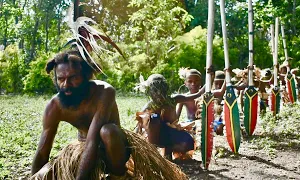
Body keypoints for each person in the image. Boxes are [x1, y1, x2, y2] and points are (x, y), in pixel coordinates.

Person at [31, 50, 187, 180]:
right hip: (81, 150)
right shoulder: (54, 106)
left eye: (73, 78)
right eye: (61, 79)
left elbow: (93, 140)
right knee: (44, 175)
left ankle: (119, 176)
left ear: (85, 76)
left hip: (113, 148)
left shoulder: (104, 92)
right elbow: (43, 151)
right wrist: (36, 177)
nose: (66, 85)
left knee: (107, 131)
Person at [135, 74, 205, 160]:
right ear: (150, 91)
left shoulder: (174, 99)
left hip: (172, 133)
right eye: (155, 90)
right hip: (156, 137)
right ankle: (154, 153)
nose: (159, 93)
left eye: (161, 89)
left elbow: (198, 94)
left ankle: (168, 151)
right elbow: (139, 125)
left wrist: (210, 77)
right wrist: (134, 140)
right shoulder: (149, 106)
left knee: (189, 143)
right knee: (154, 118)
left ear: (166, 89)